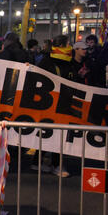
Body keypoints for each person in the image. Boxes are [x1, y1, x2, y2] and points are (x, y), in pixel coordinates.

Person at [32, 35, 74, 177]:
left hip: (55, 102)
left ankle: (38, 161)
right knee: (55, 133)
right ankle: (56, 164)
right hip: (54, 103)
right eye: (68, 44)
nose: (71, 46)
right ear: (62, 46)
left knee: (51, 133)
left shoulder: (49, 59)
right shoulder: (50, 61)